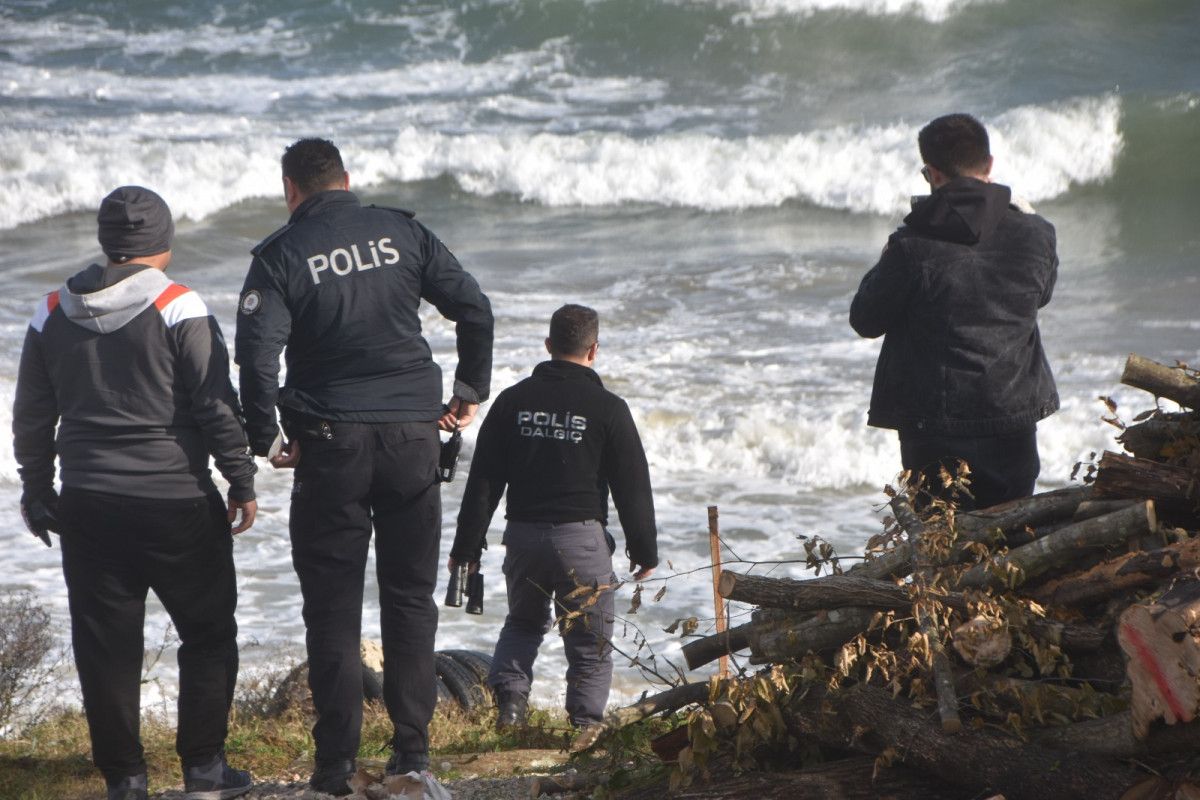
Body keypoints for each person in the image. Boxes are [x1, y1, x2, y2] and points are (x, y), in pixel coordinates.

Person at [234, 138, 493, 795]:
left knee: (332, 610)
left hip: (331, 445)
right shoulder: (400, 231)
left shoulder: (282, 254)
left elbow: (257, 360)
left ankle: (335, 769)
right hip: (413, 436)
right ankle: (413, 758)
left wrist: (266, 437)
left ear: (291, 189)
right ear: (346, 180)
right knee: (410, 601)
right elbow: (474, 308)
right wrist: (469, 390)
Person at [12, 186, 257, 800]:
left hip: (90, 506)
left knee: (106, 652)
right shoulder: (180, 305)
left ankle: (125, 781)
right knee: (206, 635)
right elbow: (215, 406)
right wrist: (240, 478)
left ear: (106, 241)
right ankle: (204, 773)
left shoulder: (50, 311)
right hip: (175, 504)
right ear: (163, 244)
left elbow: (31, 418)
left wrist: (38, 490)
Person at [450, 304, 658, 731]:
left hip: (523, 537)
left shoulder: (513, 401)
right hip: (582, 542)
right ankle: (585, 728)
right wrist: (644, 548)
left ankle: (510, 708)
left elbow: (484, 482)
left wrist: (466, 547)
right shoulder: (608, 408)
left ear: (548, 346)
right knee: (589, 642)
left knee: (523, 623)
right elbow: (632, 485)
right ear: (594, 349)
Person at [850, 113, 1059, 510]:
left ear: (932, 174)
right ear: (990, 165)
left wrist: (887, 257)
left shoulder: (910, 245)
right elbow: (1040, 295)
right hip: (1012, 420)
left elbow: (865, 319)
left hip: (934, 431)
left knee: (940, 552)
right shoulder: (1037, 232)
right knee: (1011, 550)